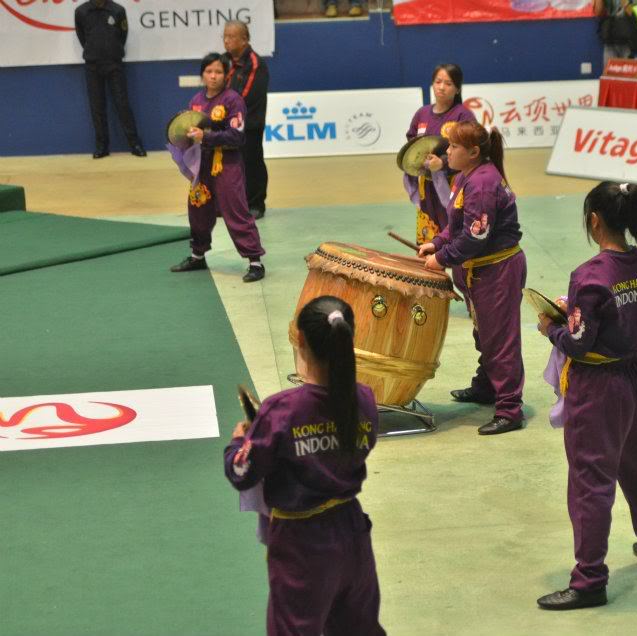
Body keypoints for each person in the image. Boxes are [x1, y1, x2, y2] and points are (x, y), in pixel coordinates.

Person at [535, 182, 637, 611]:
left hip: (598, 388)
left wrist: (551, 327)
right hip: (634, 375)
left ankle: (589, 579)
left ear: (594, 220)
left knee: (590, 481)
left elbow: (576, 343)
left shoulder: (590, 275)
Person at [224, 296, 386, 636]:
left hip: (302, 544)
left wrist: (239, 441)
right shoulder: (365, 400)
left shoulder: (282, 409)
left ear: (300, 341)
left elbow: (242, 473)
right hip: (352, 532)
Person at [417, 121, 527, 436]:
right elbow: (459, 224)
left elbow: (476, 237)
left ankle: (509, 408)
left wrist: (442, 258)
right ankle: (488, 385)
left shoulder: (482, 183)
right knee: (485, 332)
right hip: (481, 269)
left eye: (452, 147)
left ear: (473, 152)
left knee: (500, 339)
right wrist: (437, 242)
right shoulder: (469, 177)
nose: (446, 151)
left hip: (498, 269)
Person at [170, 53, 266, 283]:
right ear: (203, 74)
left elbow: (237, 136)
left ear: (226, 75)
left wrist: (206, 136)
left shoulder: (234, 100)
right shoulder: (196, 100)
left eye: (218, 72)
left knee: (236, 212)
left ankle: (255, 261)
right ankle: (197, 255)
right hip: (200, 166)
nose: (213, 76)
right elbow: (189, 133)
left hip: (227, 166)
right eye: (209, 72)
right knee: (198, 210)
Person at [404, 63, 476, 245]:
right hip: (426, 189)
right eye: (438, 82)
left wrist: (443, 164)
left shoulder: (463, 116)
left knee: (456, 240)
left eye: (449, 83)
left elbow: (470, 149)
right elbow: (412, 141)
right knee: (427, 244)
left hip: (454, 187)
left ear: (458, 88)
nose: (442, 87)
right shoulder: (422, 114)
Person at [74, 0, 146, 159]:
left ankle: (135, 144)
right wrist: (93, 49)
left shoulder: (118, 10)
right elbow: (81, 36)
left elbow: (122, 35)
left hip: (114, 63)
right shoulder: (81, 11)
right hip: (92, 65)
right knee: (97, 107)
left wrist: (112, 49)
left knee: (122, 104)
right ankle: (102, 147)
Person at [223, 20, 270, 220]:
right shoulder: (224, 61)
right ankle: (233, 204)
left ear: (244, 39)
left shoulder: (254, 63)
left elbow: (245, 96)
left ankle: (256, 204)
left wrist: (223, 109)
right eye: (224, 36)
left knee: (251, 164)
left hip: (249, 124)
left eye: (231, 36)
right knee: (230, 165)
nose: (226, 41)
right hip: (228, 123)